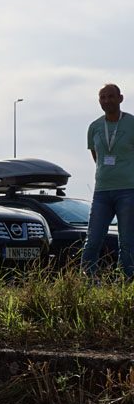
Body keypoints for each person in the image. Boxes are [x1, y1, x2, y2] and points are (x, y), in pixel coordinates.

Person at [81, 83, 134, 279]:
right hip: (102, 191)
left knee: (127, 242)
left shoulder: (131, 123)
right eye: (103, 97)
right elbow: (97, 157)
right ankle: (87, 283)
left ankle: (127, 284)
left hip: (128, 190)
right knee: (93, 240)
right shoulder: (94, 127)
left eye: (111, 96)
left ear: (120, 98)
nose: (107, 101)